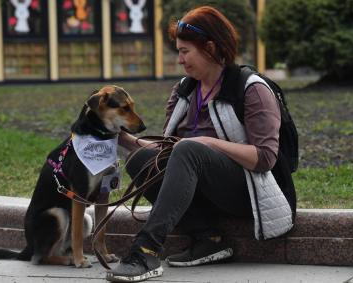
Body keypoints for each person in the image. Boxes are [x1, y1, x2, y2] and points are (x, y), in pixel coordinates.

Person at [106, 6, 296, 283]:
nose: (180, 60)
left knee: (189, 148)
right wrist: (126, 140)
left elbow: (265, 158)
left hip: (251, 191)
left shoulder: (252, 88)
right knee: (139, 159)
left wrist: (208, 143)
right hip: (199, 184)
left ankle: (145, 251)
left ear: (210, 48)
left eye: (185, 51)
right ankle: (209, 238)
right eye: (178, 51)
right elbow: (168, 151)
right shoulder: (184, 90)